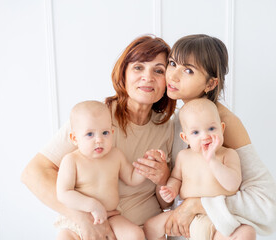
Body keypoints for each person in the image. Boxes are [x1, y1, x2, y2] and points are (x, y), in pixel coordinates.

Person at [21, 35, 176, 240]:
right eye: (138, 67)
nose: (148, 77)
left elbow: (167, 202)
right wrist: (85, 220)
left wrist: (163, 178)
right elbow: (33, 173)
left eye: (158, 70)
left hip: (141, 232)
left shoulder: (169, 127)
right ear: (123, 73)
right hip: (90, 226)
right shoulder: (96, 119)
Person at [134, 34, 276, 240]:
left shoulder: (223, 123)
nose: (173, 76)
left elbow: (265, 204)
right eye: (172, 63)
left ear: (210, 84)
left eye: (188, 70)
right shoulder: (177, 120)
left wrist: (196, 205)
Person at [144, 98, 242, 240]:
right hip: (185, 213)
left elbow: (233, 184)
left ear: (222, 128)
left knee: (242, 233)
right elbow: (176, 178)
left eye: (212, 129)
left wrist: (213, 161)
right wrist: (171, 189)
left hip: (216, 216)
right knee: (151, 226)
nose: (205, 136)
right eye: (196, 132)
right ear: (185, 138)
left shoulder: (228, 154)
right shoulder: (183, 156)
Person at [55, 100, 146, 239]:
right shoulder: (71, 160)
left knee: (135, 234)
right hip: (78, 218)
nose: (99, 140)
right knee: (64, 237)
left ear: (112, 132)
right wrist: (92, 205)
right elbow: (63, 193)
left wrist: (145, 166)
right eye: (90, 134)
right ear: (74, 138)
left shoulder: (116, 155)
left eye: (105, 133)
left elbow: (132, 178)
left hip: (111, 216)